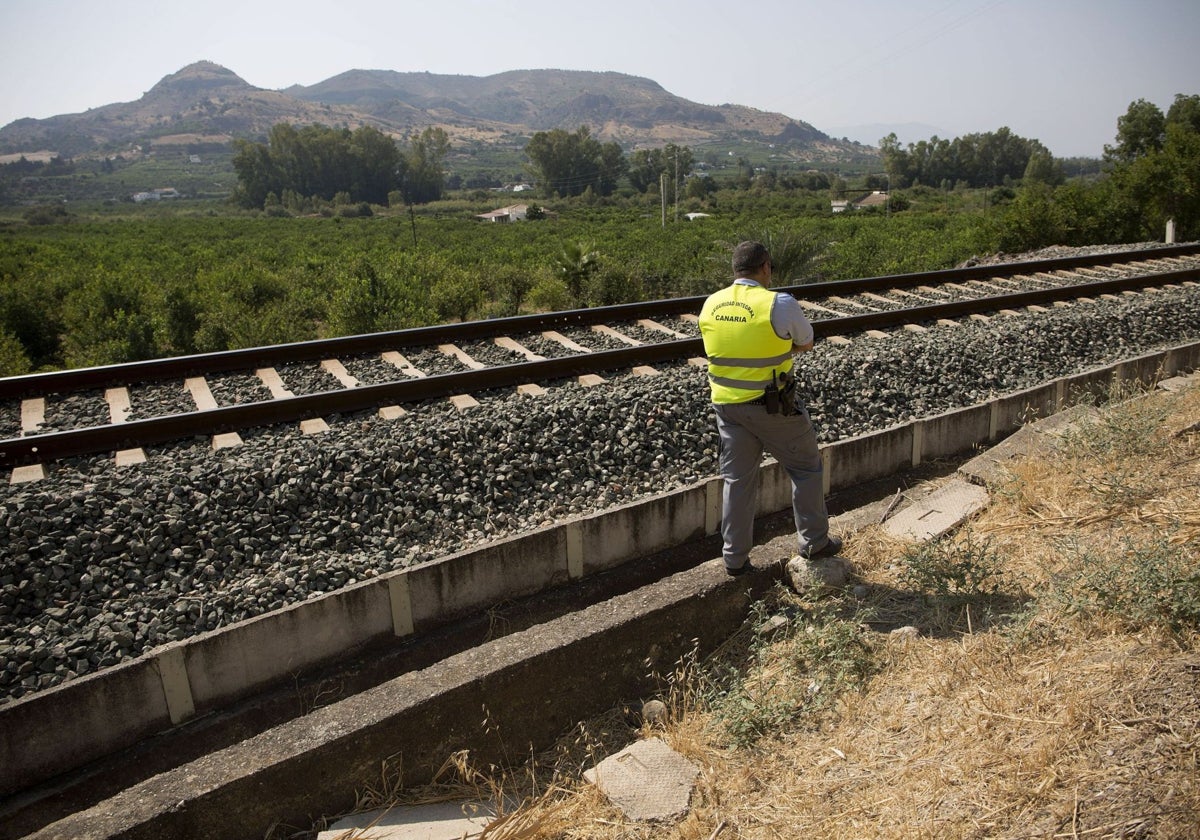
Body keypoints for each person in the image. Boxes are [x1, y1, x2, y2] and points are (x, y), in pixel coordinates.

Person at [698, 241, 841, 576]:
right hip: (773, 406)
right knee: (805, 468)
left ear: (735, 270)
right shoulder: (778, 303)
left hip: (728, 408)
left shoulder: (710, 303)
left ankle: (734, 560)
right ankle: (815, 544)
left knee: (737, 480)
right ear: (765, 267)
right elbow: (806, 341)